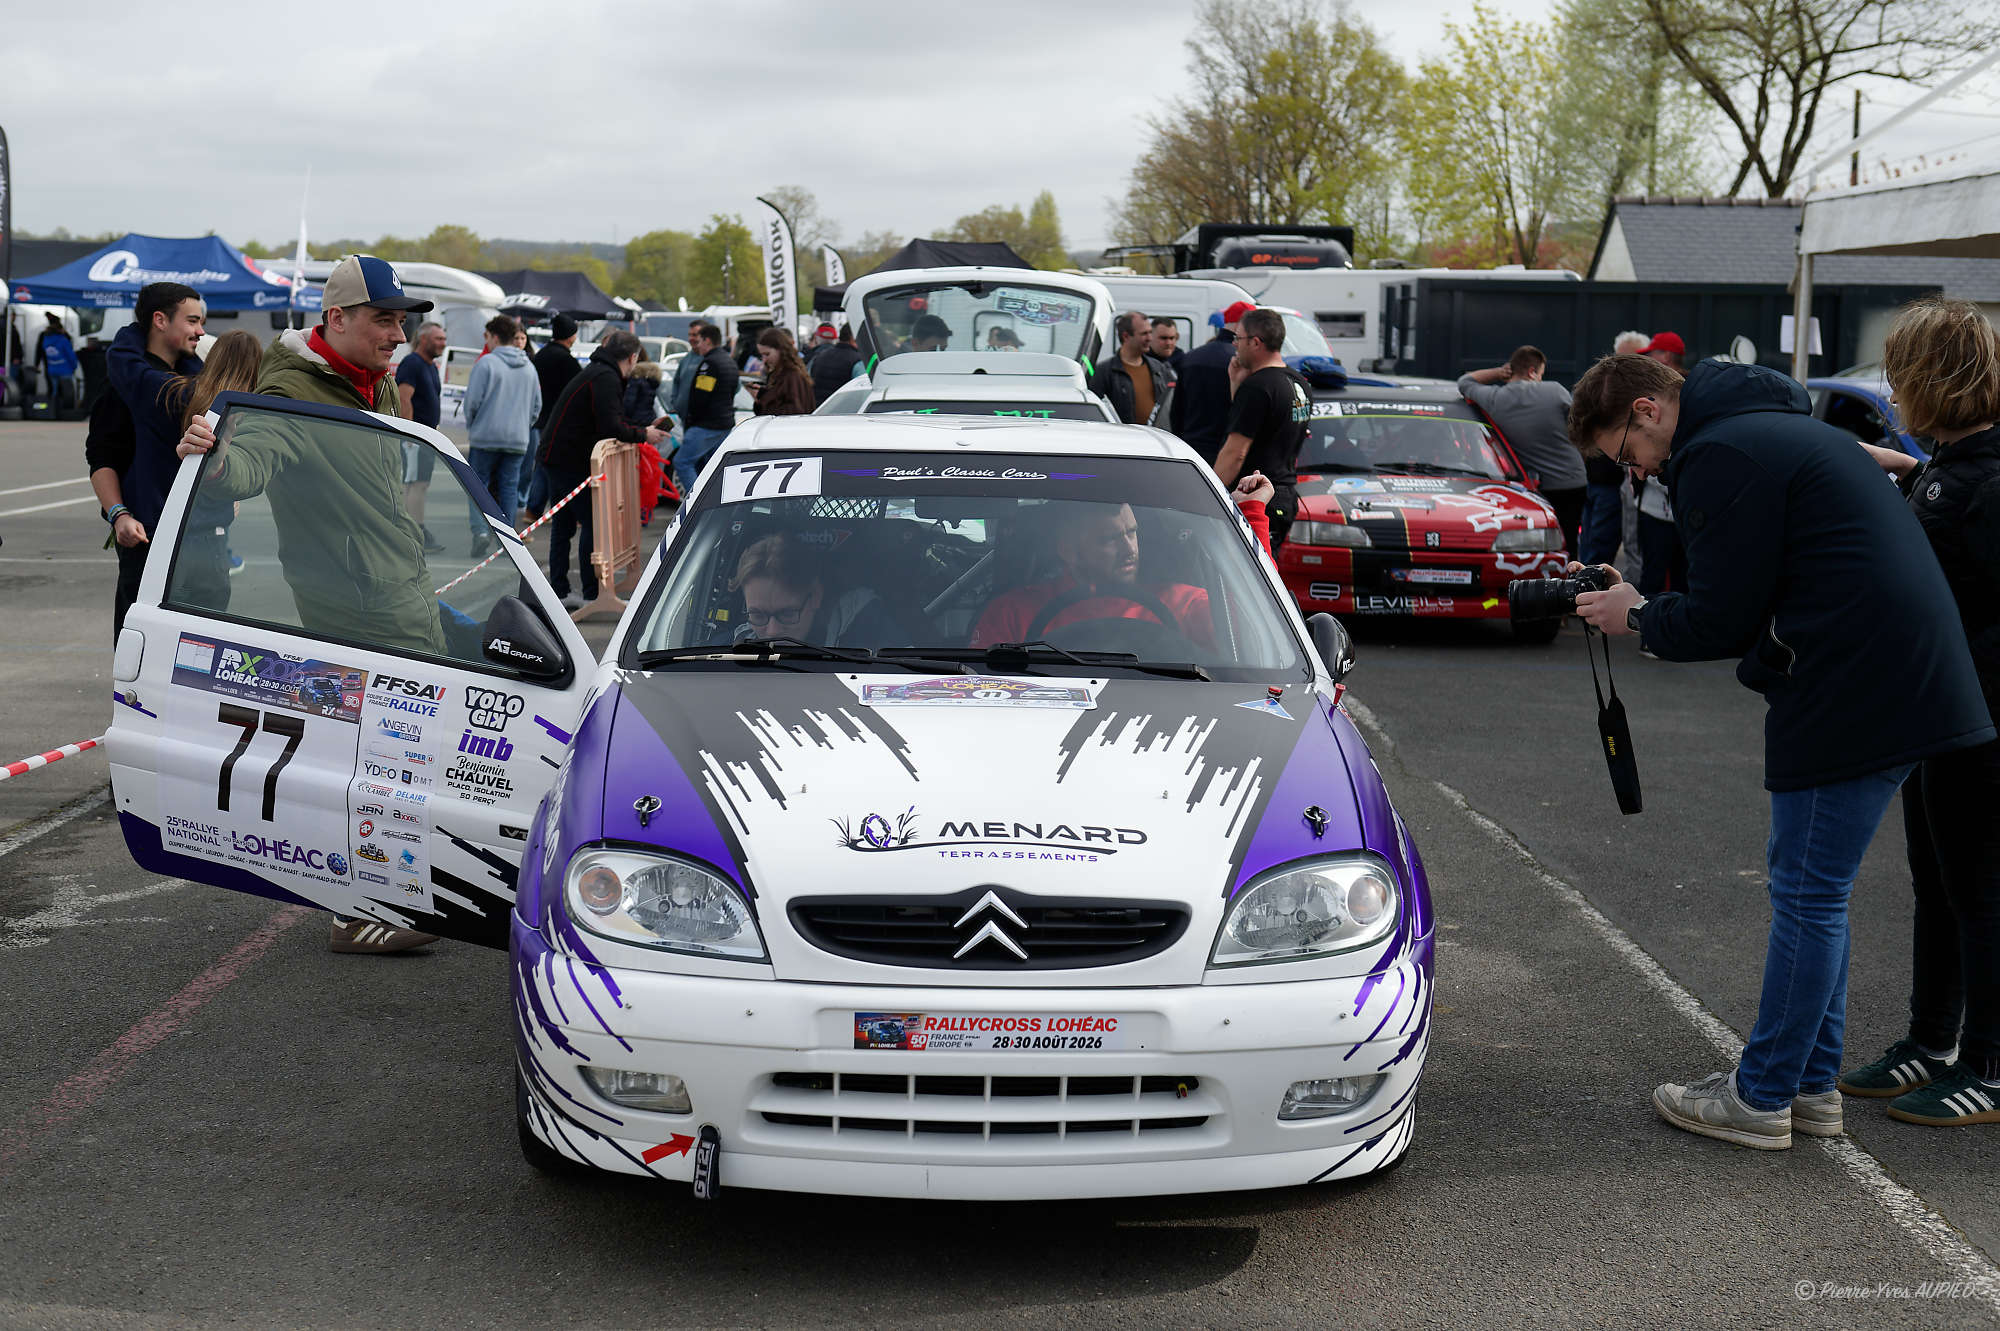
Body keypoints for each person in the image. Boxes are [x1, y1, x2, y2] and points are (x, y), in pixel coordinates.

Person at [1565, 351, 1993, 1151]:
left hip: (1854, 688)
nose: (1633, 472)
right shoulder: (1779, 428)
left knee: (1807, 894)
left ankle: (1762, 1095)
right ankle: (1805, 1085)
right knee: (1815, 891)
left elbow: (1723, 614)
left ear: (1648, 412)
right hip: (1890, 679)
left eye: (1626, 454)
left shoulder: (1720, 453)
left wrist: (1637, 613)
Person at [176, 255, 444, 958]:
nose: (398, 332)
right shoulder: (293, 392)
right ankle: (356, 912)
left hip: (402, 594)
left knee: (402, 765)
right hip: (361, 614)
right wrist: (212, 456)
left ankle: (389, 893)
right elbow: (250, 462)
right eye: (384, 318)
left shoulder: (373, 383)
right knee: (376, 764)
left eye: (401, 319)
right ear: (337, 319)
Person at [1836, 298, 2000, 1127]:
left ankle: (1990, 1065)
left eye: (1901, 378)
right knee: (1938, 882)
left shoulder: (1983, 478)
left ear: (1938, 380)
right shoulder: (1953, 462)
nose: (1894, 392)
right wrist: (1900, 470)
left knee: (1980, 888)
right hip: (1942, 715)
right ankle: (1931, 1040)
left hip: (1982, 722)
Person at [97, 282, 206, 635]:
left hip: (200, 537)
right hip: (146, 537)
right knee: (141, 641)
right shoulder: (125, 379)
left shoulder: (197, 374)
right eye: (191, 321)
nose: (200, 331)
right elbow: (101, 455)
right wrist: (119, 515)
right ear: (160, 320)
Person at [539, 329, 667, 609]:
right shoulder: (605, 377)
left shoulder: (599, 371)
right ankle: (590, 593)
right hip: (568, 459)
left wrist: (638, 430)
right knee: (590, 525)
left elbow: (611, 420)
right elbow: (611, 424)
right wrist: (643, 435)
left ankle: (564, 590)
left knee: (566, 526)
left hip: (559, 455)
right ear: (632, 357)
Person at [972, 502, 1215, 649]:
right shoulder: (1013, 612)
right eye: (1109, 540)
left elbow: (1246, 654)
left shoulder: (1187, 604)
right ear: (1068, 550)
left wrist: (1250, 511)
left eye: (1131, 533)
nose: (1129, 550)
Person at [1458, 346, 1588, 558]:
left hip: (1530, 489)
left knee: (1531, 546)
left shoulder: (1493, 398)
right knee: (1568, 543)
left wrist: (1499, 373)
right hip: (1571, 483)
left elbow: (1465, 382)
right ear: (1532, 371)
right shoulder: (1554, 391)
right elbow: (1580, 427)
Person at [1215, 308, 1310, 553]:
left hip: (1257, 496)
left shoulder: (1259, 387)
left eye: (1239, 338)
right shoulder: (1298, 381)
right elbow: (1267, 429)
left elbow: (1235, 453)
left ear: (1255, 342)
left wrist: (1209, 493)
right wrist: (1236, 384)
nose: (1235, 345)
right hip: (1284, 495)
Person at [729, 533, 903, 647]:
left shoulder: (870, 624)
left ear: (816, 597)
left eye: (787, 614)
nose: (772, 631)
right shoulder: (724, 649)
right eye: (758, 616)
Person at [461, 314, 540, 558]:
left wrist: (474, 424)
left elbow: (472, 402)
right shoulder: (529, 366)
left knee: (478, 485)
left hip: (486, 435)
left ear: (495, 337)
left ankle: (481, 532)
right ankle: (507, 537)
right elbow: (537, 406)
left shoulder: (486, 364)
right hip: (517, 438)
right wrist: (523, 425)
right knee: (509, 487)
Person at [1580, 331, 1650, 566]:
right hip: (1593, 480)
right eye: (1617, 357)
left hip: (1615, 485)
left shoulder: (1642, 394)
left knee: (1601, 550)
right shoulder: (1606, 386)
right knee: (1589, 545)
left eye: (1626, 358)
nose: (1618, 364)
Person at [1174, 300, 1250, 460]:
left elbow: (1176, 411)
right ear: (1241, 326)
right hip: (1225, 450)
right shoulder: (1242, 361)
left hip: (1189, 448)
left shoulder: (1191, 357)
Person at [396, 320, 447, 553]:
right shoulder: (412, 364)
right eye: (438, 339)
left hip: (425, 436)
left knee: (415, 483)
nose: (443, 343)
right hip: (414, 437)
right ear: (423, 339)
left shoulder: (430, 366)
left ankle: (409, 531)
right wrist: (409, 434)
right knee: (416, 484)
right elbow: (403, 398)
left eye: (444, 339)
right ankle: (415, 532)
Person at [526, 313, 583, 524]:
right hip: (559, 421)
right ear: (571, 336)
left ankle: (534, 509)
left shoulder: (540, 356)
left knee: (542, 463)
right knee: (552, 466)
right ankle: (547, 509)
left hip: (539, 418)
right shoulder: (567, 361)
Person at [675, 320, 738, 494]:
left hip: (706, 425)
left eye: (700, 341)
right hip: (724, 424)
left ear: (708, 341)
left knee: (682, 462)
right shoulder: (729, 362)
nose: (698, 345)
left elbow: (701, 397)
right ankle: (713, 502)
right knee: (712, 469)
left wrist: (691, 419)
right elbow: (733, 391)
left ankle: (696, 503)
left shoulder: (709, 364)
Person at [1091, 310, 1175, 428]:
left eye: (1150, 332)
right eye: (1144, 334)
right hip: (1125, 442)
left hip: (1156, 440)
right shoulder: (1104, 371)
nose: (1150, 338)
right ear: (1126, 336)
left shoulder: (1159, 369)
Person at [751, 328, 815, 417]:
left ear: (780, 350)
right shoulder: (783, 373)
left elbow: (793, 413)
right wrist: (763, 394)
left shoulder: (792, 375)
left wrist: (764, 398)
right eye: (762, 355)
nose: (764, 360)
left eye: (767, 354)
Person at [810, 323, 865, 407]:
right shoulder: (858, 361)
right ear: (853, 338)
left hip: (818, 410)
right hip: (843, 412)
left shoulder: (819, 357)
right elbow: (862, 392)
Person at [35, 313, 78, 413]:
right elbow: (70, 355)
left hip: (51, 369)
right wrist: (74, 366)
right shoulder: (63, 339)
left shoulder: (45, 338)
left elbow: (39, 352)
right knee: (67, 392)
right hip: (65, 369)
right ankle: (65, 411)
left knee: (53, 391)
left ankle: (52, 410)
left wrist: (36, 364)